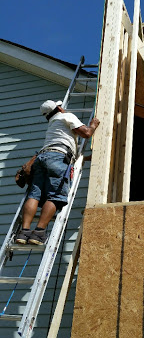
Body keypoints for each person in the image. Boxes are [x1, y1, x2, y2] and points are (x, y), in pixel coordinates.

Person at [16, 100, 100, 245]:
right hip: (58, 157)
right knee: (55, 196)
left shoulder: (52, 124)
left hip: (42, 158)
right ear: (59, 108)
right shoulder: (66, 116)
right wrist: (93, 125)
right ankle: (39, 232)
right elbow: (86, 133)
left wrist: (84, 159)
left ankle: (24, 232)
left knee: (34, 194)